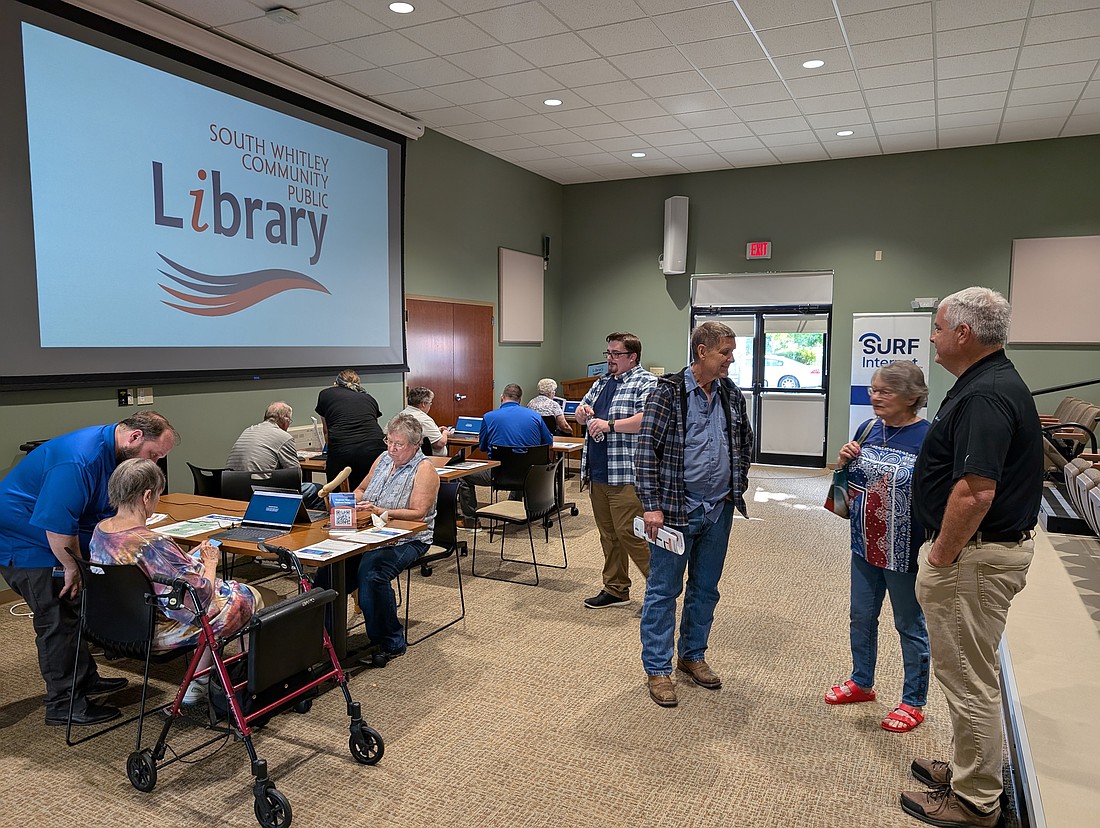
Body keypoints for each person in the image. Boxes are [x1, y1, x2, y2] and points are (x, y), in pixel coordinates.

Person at [901, 288, 1043, 828]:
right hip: (978, 556)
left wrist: (940, 556)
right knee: (968, 670)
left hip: (973, 559)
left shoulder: (985, 394)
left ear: (963, 333)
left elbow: (975, 491)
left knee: (967, 677)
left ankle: (977, 800)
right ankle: (969, 769)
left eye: (938, 328)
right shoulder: (990, 382)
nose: (932, 338)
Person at [0, 411, 178, 726]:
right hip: (29, 546)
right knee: (56, 620)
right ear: (135, 438)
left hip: (57, 539)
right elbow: (57, 526)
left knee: (75, 612)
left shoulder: (113, 451)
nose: (154, 463)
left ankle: (86, 679)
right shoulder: (78, 459)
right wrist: (72, 567)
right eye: (154, 455)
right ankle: (64, 704)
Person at [635, 321, 752, 708]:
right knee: (664, 591)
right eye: (725, 352)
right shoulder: (667, 393)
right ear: (702, 352)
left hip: (718, 509)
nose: (731, 360)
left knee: (706, 589)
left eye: (732, 352)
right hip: (675, 510)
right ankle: (657, 668)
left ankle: (692, 655)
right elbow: (645, 453)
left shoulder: (732, 395)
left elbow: (744, 443)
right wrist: (651, 505)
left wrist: (738, 482)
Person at [90, 459, 261, 705]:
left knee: (222, 593)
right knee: (245, 596)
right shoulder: (152, 544)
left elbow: (147, 573)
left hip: (114, 624)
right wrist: (211, 563)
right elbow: (198, 599)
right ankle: (211, 681)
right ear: (147, 496)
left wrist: (185, 559)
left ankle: (209, 676)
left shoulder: (101, 531)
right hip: (154, 632)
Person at [824, 362, 931, 733]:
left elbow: (938, 498)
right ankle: (862, 681)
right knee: (861, 616)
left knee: (908, 624)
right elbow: (846, 493)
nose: (875, 396)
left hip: (906, 550)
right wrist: (842, 464)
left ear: (911, 396)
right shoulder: (867, 429)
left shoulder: (928, 438)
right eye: (873, 389)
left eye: (885, 390)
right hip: (864, 544)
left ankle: (913, 700)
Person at [575, 332, 657, 609]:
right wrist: (583, 412)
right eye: (607, 353)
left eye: (615, 354)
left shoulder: (645, 382)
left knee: (632, 535)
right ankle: (616, 588)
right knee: (609, 535)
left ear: (632, 357)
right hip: (598, 470)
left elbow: (649, 419)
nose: (609, 359)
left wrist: (610, 425)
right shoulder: (602, 382)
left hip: (626, 473)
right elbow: (581, 408)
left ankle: (660, 590)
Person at [352, 413, 439, 668]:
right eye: (388, 441)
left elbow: (418, 514)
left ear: (415, 445)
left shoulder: (424, 470)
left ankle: (390, 640)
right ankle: (324, 638)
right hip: (370, 534)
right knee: (330, 570)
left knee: (372, 574)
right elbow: (360, 489)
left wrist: (381, 511)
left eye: (398, 445)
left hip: (409, 539)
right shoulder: (382, 459)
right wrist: (354, 502)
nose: (391, 449)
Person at [458, 384, 554, 524]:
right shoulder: (535, 417)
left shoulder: (489, 417)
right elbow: (549, 444)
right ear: (520, 400)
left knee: (463, 477)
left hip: (499, 475)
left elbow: (483, 447)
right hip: (532, 476)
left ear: (501, 398)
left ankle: (470, 521)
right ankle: (512, 510)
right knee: (521, 463)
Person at [225, 401, 324, 509]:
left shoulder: (248, 430)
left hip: (235, 490)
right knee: (318, 490)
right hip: (263, 492)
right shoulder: (284, 437)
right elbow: (295, 477)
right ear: (286, 421)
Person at [315, 369, 385, 488]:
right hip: (375, 449)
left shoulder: (326, 394)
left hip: (343, 448)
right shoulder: (369, 398)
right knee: (369, 491)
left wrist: (331, 458)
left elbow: (327, 431)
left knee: (339, 495)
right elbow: (372, 425)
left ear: (335, 384)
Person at [402, 387, 448, 456]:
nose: (430, 406)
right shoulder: (424, 419)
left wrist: (436, 430)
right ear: (423, 404)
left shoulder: (401, 414)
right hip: (431, 460)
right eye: (430, 403)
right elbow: (439, 443)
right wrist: (445, 433)